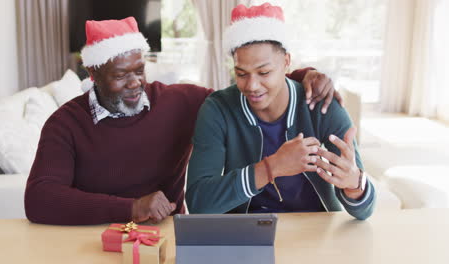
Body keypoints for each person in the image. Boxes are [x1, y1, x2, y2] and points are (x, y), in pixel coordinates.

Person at [24, 16, 343, 225]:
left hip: (164, 236)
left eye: (139, 70)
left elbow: (243, 93)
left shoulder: (179, 101)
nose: (135, 83)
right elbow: (39, 199)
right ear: (92, 74)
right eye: (121, 76)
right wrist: (131, 208)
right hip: (87, 236)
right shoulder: (65, 124)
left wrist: (300, 77)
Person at [186, 3, 375, 220]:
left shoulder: (322, 103)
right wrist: (271, 167)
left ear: (286, 62)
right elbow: (199, 203)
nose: (252, 86)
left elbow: (364, 210)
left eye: (264, 72)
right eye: (241, 73)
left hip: (316, 230)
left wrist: (354, 185)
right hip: (245, 233)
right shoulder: (218, 110)